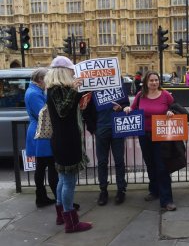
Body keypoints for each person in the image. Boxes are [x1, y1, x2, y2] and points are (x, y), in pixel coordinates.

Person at [45, 56, 92, 233]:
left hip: (63, 140)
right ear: (63, 72)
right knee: (69, 182)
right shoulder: (57, 90)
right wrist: (74, 90)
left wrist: (79, 98)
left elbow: (68, 109)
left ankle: (61, 214)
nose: (73, 73)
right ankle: (71, 222)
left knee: (63, 179)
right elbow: (63, 111)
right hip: (66, 141)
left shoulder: (58, 89)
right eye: (71, 70)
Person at [123, 71, 177, 211]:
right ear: (146, 82)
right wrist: (128, 108)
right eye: (151, 80)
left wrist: (171, 112)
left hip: (161, 135)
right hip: (144, 135)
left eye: (156, 80)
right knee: (150, 164)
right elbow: (133, 108)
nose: (154, 82)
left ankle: (167, 200)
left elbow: (175, 108)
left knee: (162, 166)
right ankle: (154, 191)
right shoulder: (141, 95)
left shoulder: (165, 95)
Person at [82, 86, 130, 206]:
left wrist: (121, 108)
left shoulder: (118, 87)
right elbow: (86, 111)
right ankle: (103, 190)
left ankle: (121, 189)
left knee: (119, 160)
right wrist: (93, 129)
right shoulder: (91, 91)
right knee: (102, 161)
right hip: (101, 129)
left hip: (117, 127)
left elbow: (127, 106)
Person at [24, 68, 58, 208]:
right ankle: (58, 199)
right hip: (42, 132)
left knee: (41, 165)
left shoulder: (34, 91)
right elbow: (44, 115)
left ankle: (42, 197)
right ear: (40, 80)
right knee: (50, 165)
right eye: (47, 79)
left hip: (39, 131)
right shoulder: (33, 93)